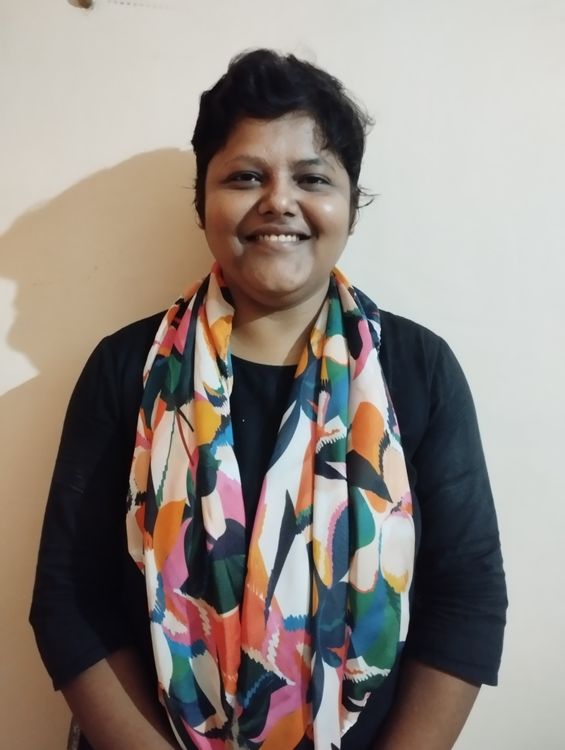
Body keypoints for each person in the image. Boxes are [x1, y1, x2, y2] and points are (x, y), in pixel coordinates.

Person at [30, 49, 507, 750]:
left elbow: (466, 597)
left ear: (350, 204)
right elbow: (70, 599)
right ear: (203, 203)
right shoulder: (125, 369)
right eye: (245, 176)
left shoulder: (418, 370)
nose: (278, 200)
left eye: (312, 178)